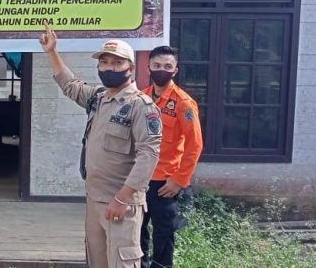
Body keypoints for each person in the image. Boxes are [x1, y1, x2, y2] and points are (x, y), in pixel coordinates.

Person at [39, 25, 161, 268]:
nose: (109, 68)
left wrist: (122, 198)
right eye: (104, 62)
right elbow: (70, 85)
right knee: (97, 262)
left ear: (130, 68)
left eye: (117, 63)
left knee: (122, 263)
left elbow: (149, 155)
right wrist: (52, 52)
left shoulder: (141, 106)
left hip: (122, 204)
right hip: (95, 201)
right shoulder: (98, 98)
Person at [140, 46, 203, 268]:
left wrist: (179, 180)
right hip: (139, 177)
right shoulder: (141, 97)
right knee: (136, 231)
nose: (162, 70)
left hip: (164, 183)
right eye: (157, 65)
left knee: (164, 234)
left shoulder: (183, 103)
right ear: (148, 67)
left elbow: (195, 145)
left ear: (175, 70)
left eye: (168, 66)